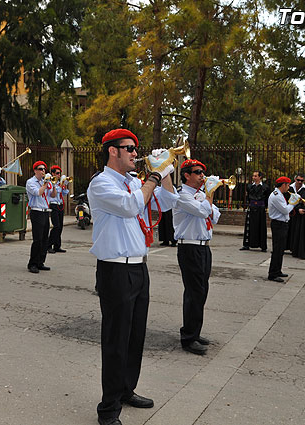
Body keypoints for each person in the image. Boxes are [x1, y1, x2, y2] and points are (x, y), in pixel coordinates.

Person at [88, 128, 178, 425]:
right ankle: (109, 409)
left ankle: (127, 389)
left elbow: (168, 202)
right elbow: (130, 206)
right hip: (115, 269)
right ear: (112, 151)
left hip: (139, 266)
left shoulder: (133, 183)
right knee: (116, 339)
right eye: (129, 149)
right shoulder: (101, 183)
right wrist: (152, 177)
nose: (135, 154)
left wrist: (164, 171)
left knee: (135, 336)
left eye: (136, 149)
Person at [173, 159, 220, 356]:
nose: (202, 176)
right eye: (198, 172)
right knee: (194, 292)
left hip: (204, 248)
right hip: (189, 247)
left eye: (203, 172)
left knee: (202, 291)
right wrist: (207, 201)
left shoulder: (200, 194)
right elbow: (203, 211)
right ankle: (188, 337)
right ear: (187, 175)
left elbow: (215, 215)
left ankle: (195, 331)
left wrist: (206, 201)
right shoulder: (182, 195)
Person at [26, 161, 56, 273]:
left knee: (44, 239)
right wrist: (45, 184)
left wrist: (52, 185)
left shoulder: (46, 182)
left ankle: (40, 262)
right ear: (35, 170)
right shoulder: (30, 182)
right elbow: (38, 193)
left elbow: (53, 195)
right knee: (37, 239)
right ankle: (32, 263)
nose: (43, 171)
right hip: (36, 211)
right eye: (40, 169)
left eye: (44, 169)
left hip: (45, 211)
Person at [267, 176, 295, 283]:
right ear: (283, 185)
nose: (288, 187)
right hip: (278, 224)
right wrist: (293, 202)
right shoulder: (276, 196)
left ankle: (277, 270)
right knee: (277, 249)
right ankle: (273, 273)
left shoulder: (279, 195)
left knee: (281, 249)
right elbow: (285, 210)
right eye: (288, 185)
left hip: (282, 224)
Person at [241, 171, 269, 251]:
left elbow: (267, 198)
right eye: (253, 176)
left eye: (255, 176)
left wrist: (264, 206)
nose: (254, 177)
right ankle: (247, 244)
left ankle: (263, 246)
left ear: (260, 177)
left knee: (261, 227)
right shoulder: (250, 186)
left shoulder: (265, 187)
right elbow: (248, 197)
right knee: (249, 226)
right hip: (252, 208)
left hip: (261, 208)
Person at [47, 165, 70, 254]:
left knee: (60, 227)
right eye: (57, 173)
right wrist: (58, 185)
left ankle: (57, 246)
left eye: (59, 173)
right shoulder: (50, 183)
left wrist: (64, 185)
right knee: (56, 226)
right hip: (53, 204)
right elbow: (52, 194)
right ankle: (48, 245)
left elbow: (64, 193)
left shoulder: (59, 183)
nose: (59, 175)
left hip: (60, 204)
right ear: (52, 173)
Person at [286, 173, 305, 252]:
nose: (300, 182)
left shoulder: (304, 189)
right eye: (298, 180)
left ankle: (294, 248)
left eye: (302, 181)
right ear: (295, 180)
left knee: (296, 231)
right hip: (289, 211)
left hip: (298, 213)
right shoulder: (289, 188)